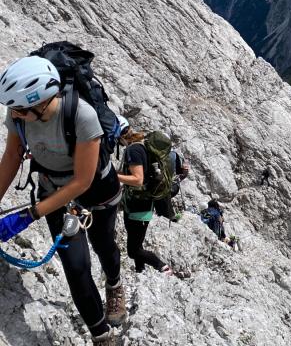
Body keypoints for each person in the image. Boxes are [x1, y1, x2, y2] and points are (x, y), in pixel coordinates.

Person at [0, 56, 124, 345]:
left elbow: (83, 180)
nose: (14, 115)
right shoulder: (19, 114)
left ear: (41, 101)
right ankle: (102, 336)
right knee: (76, 267)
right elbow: (11, 157)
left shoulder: (82, 115)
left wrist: (29, 215)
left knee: (105, 247)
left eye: (19, 109)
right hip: (54, 190)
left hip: (97, 192)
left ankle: (114, 284)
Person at [117, 120, 172, 276]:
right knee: (136, 243)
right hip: (138, 204)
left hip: (139, 206)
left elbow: (138, 179)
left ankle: (162, 266)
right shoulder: (140, 145)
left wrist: (114, 177)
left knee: (133, 251)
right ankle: (140, 271)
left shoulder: (134, 150)